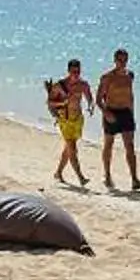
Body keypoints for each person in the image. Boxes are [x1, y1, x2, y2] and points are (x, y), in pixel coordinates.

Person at [96, 48, 140, 192]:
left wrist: (132, 113)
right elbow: (98, 99)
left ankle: (134, 179)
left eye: (125, 60)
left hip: (126, 114)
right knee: (109, 144)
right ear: (115, 60)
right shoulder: (107, 77)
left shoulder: (130, 76)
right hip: (111, 112)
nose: (122, 63)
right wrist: (106, 113)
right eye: (120, 60)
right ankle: (107, 175)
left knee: (130, 146)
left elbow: (130, 96)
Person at [45, 58, 92, 187]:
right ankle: (81, 177)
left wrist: (90, 105)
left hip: (77, 120)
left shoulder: (83, 84)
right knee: (72, 148)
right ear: (68, 71)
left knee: (68, 148)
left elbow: (88, 95)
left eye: (78, 71)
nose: (76, 74)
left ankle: (58, 173)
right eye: (73, 71)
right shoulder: (60, 86)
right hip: (64, 120)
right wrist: (62, 103)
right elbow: (50, 102)